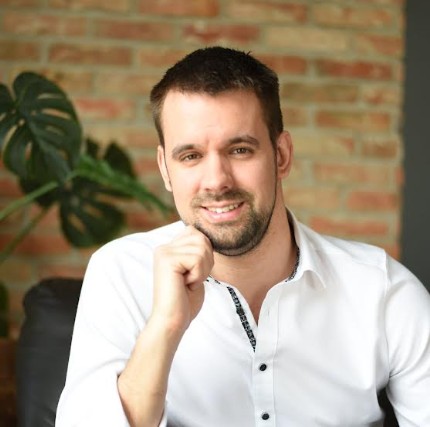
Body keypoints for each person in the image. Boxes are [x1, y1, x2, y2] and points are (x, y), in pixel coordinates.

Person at [56, 46, 430, 427]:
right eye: (190, 156)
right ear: (165, 169)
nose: (216, 181)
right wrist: (165, 327)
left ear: (281, 155)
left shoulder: (383, 291)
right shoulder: (121, 273)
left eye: (239, 150)